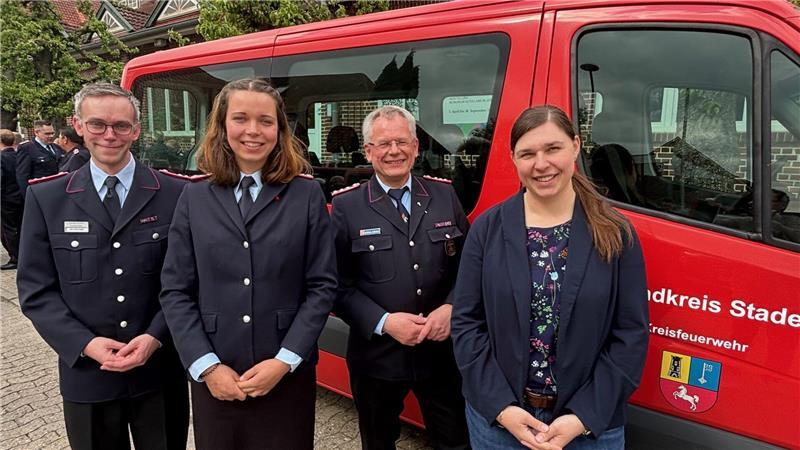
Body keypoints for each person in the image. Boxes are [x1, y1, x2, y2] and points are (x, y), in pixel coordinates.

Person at [451, 105, 648, 450]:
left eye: (552, 148)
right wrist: (500, 407)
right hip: (501, 424)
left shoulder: (616, 233)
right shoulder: (487, 230)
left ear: (575, 146)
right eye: (527, 153)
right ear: (513, 158)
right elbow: (467, 323)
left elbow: (630, 333)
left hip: (588, 427)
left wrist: (583, 416)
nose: (541, 164)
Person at [159, 78, 337, 450]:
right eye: (240, 118)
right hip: (216, 376)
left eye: (265, 121)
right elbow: (176, 290)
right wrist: (206, 366)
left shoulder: (306, 194)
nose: (253, 131)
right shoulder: (194, 196)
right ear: (223, 126)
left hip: (285, 374)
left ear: (280, 129)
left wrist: (285, 360)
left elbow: (321, 286)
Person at [17, 83, 190, 450]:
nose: (110, 135)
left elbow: (190, 280)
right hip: (87, 373)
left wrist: (156, 336)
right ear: (78, 125)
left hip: (158, 369)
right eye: (97, 124)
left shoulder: (177, 193)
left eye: (121, 126)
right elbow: (36, 291)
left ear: (137, 130)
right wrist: (86, 344)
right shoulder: (47, 197)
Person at [331, 105, 471, 450]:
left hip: (441, 353)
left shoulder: (443, 195)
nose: (394, 151)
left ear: (416, 145)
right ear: (368, 151)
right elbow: (335, 285)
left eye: (401, 141)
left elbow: (469, 267)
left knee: (455, 441)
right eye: (383, 144)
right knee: (378, 442)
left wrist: (451, 308)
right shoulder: (348, 207)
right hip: (377, 357)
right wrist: (384, 322)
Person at [15, 119, 65, 200]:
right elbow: (22, 176)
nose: (51, 136)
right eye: (47, 134)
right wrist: (29, 198)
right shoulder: (27, 148)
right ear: (36, 133)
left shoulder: (57, 148)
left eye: (52, 133)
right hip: (40, 194)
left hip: (58, 192)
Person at [1, 129, 23, 269]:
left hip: (5, 198)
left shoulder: (1, 158)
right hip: (18, 196)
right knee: (19, 227)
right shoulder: (17, 156)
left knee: (7, 229)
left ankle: (15, 257)